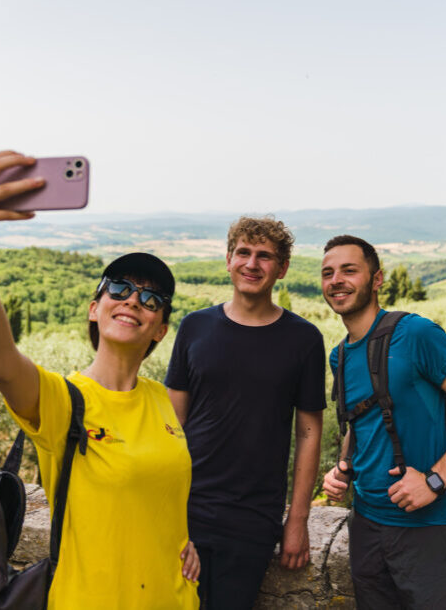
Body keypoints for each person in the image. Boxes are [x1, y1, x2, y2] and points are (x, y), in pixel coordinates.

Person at [0, 151, 200, 609]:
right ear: (95, 307)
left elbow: (161, 497)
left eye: (151, 298)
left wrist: (187, 542)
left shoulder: (161, 399)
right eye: (119, 288)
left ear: (161, 329)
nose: (133, 300)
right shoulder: (63, 402)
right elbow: (0, 361)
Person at [319, 235, 446, 609]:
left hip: (430, 531)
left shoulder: (416, 334)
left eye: (349, 270)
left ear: (377, 279)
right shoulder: (339, 356)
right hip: (366, 528)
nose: (336, 279)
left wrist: (434, 480)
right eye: (328, 273)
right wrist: (343, 467)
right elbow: (359, 426)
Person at [164, 216, 326, 609]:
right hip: (182, 509)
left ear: (282, 268)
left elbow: (308, 434)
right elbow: (170, 424)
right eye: (244, 253)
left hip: (252, 519)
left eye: (265, 256)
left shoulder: (304, 339)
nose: (252, 264)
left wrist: (298, 520)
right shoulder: (194, 327)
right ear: (228, 259)